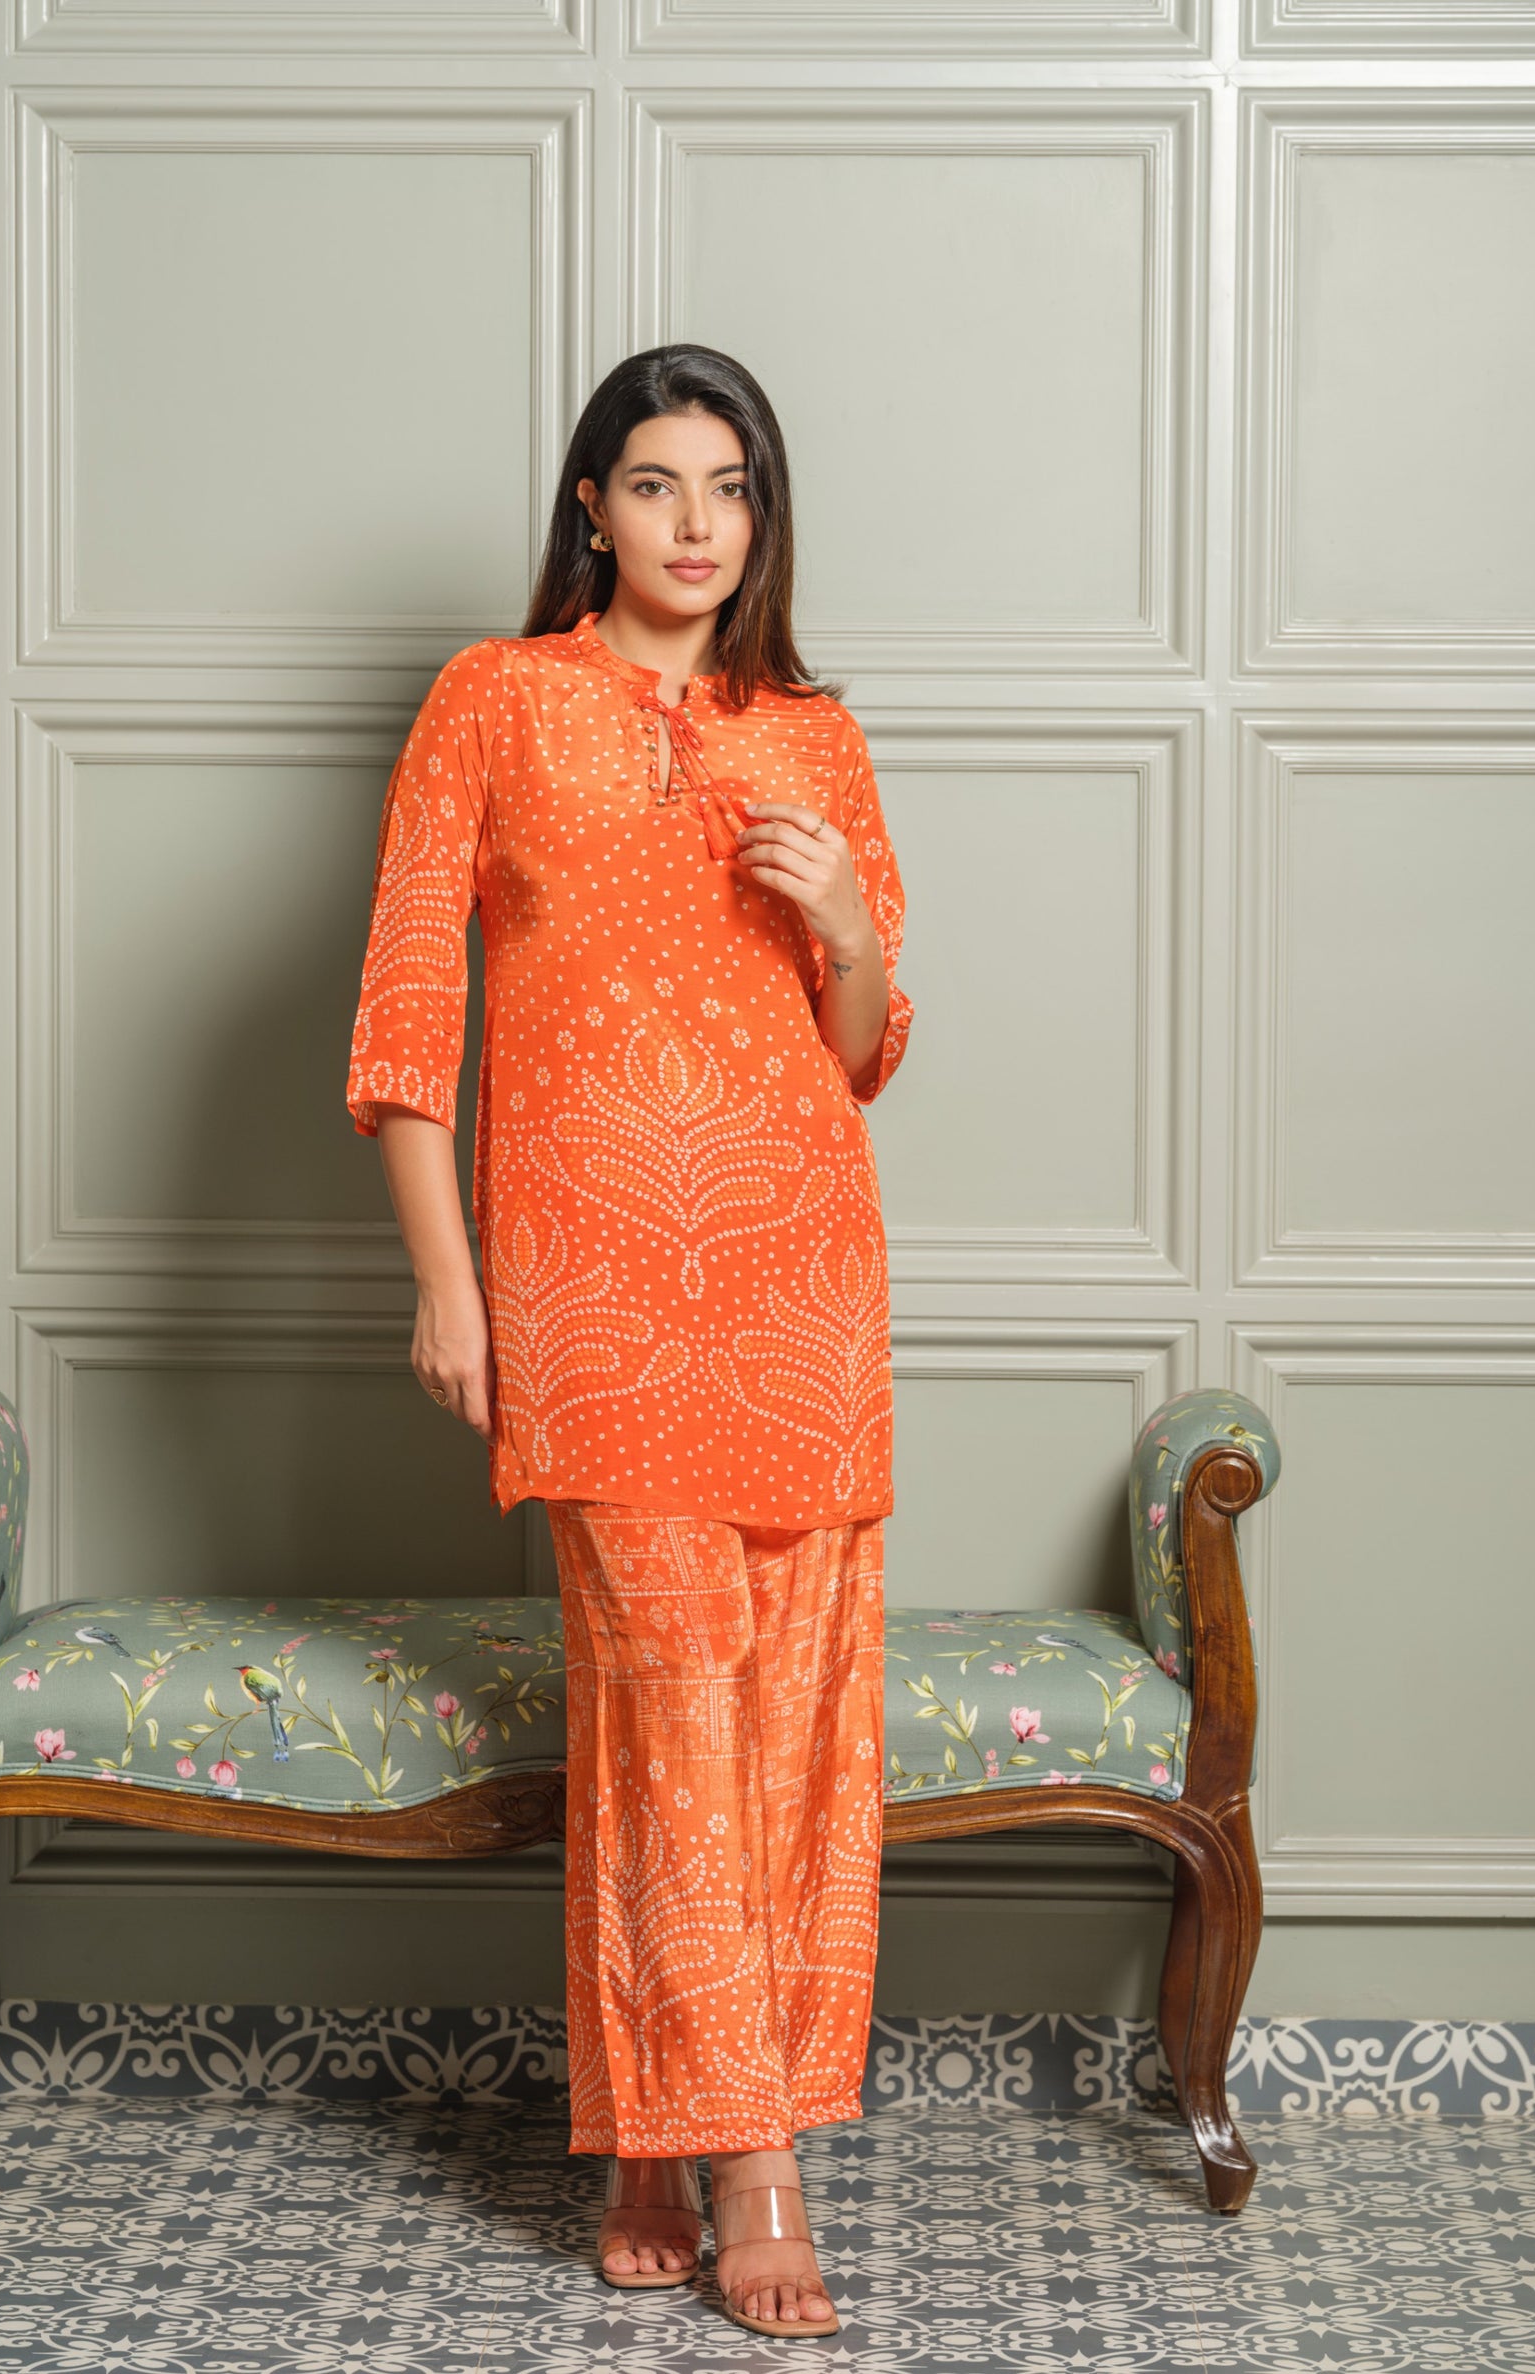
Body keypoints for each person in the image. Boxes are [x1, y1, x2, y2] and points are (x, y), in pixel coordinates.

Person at [345, 343, 913, 2339]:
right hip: (588, 1290)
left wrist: (849, 924)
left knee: (786, 1737)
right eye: (658, 482)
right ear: (590, 503)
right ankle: (756, 2165)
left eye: (730, 488)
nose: (697, 524)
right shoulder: (494, 700)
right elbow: (406, 1018)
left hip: (801, 1291)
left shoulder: (812, 732)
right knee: (669, 1713)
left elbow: (863, 1052)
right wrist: (448, 1281)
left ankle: (665, 2136)